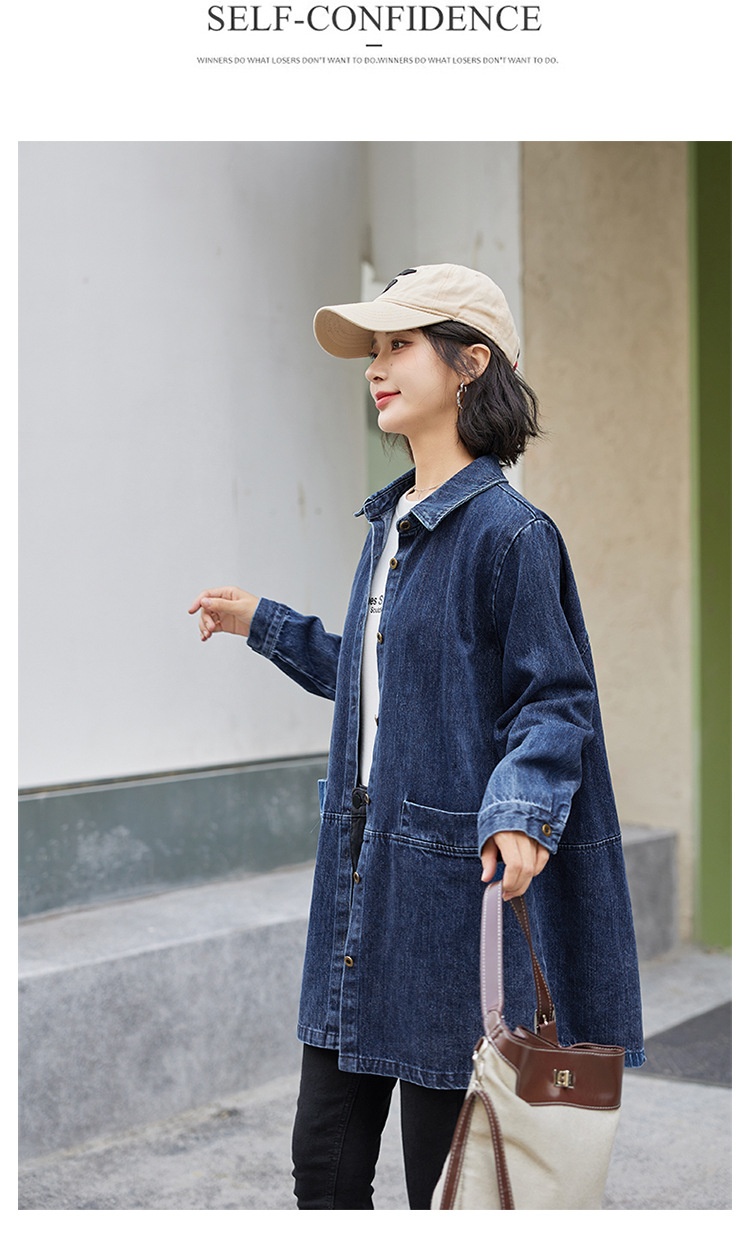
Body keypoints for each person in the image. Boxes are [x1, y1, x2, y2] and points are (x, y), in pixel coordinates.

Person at [188, 264, 645, 1210]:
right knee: (322, 1167)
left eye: (400, 346)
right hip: (358, 888)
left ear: (470, 364)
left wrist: (521, 810)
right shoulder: (389, 525)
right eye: (374, 349)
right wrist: (264, 623)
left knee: (444, 1184)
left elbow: (556, 700)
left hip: (450, 902)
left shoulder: (511, 535)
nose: (375, 367)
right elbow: (380, 681)